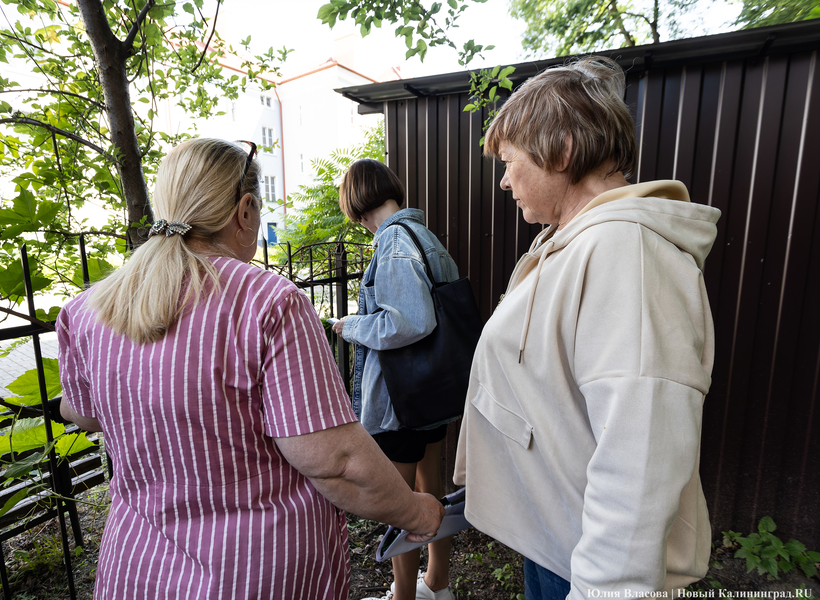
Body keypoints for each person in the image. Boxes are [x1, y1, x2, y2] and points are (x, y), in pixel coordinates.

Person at [56, 138, 444, 600]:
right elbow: (336, 461)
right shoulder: (270, 303)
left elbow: (80, 412)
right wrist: (416, 512)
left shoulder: (85, 310)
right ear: (244, 210)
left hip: (138, 569)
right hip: (259, 571)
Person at [454, 56, 720, 600]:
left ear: (562, 149)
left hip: (586, 565)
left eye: (509, 161)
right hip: (555, 535)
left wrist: (605, 587)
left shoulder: (627, 252)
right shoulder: (576, 241)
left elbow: (639, 451)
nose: (503, 181)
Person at [331, 159, 459, 600]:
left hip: (400, 400)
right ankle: (437, 583)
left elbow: (409, 321)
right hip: (432, 391)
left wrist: (350, 325)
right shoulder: (424, 236)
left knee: (402, 504)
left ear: (356, 204)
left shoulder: (393, 243)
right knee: (431, 488)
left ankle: (404, 595)